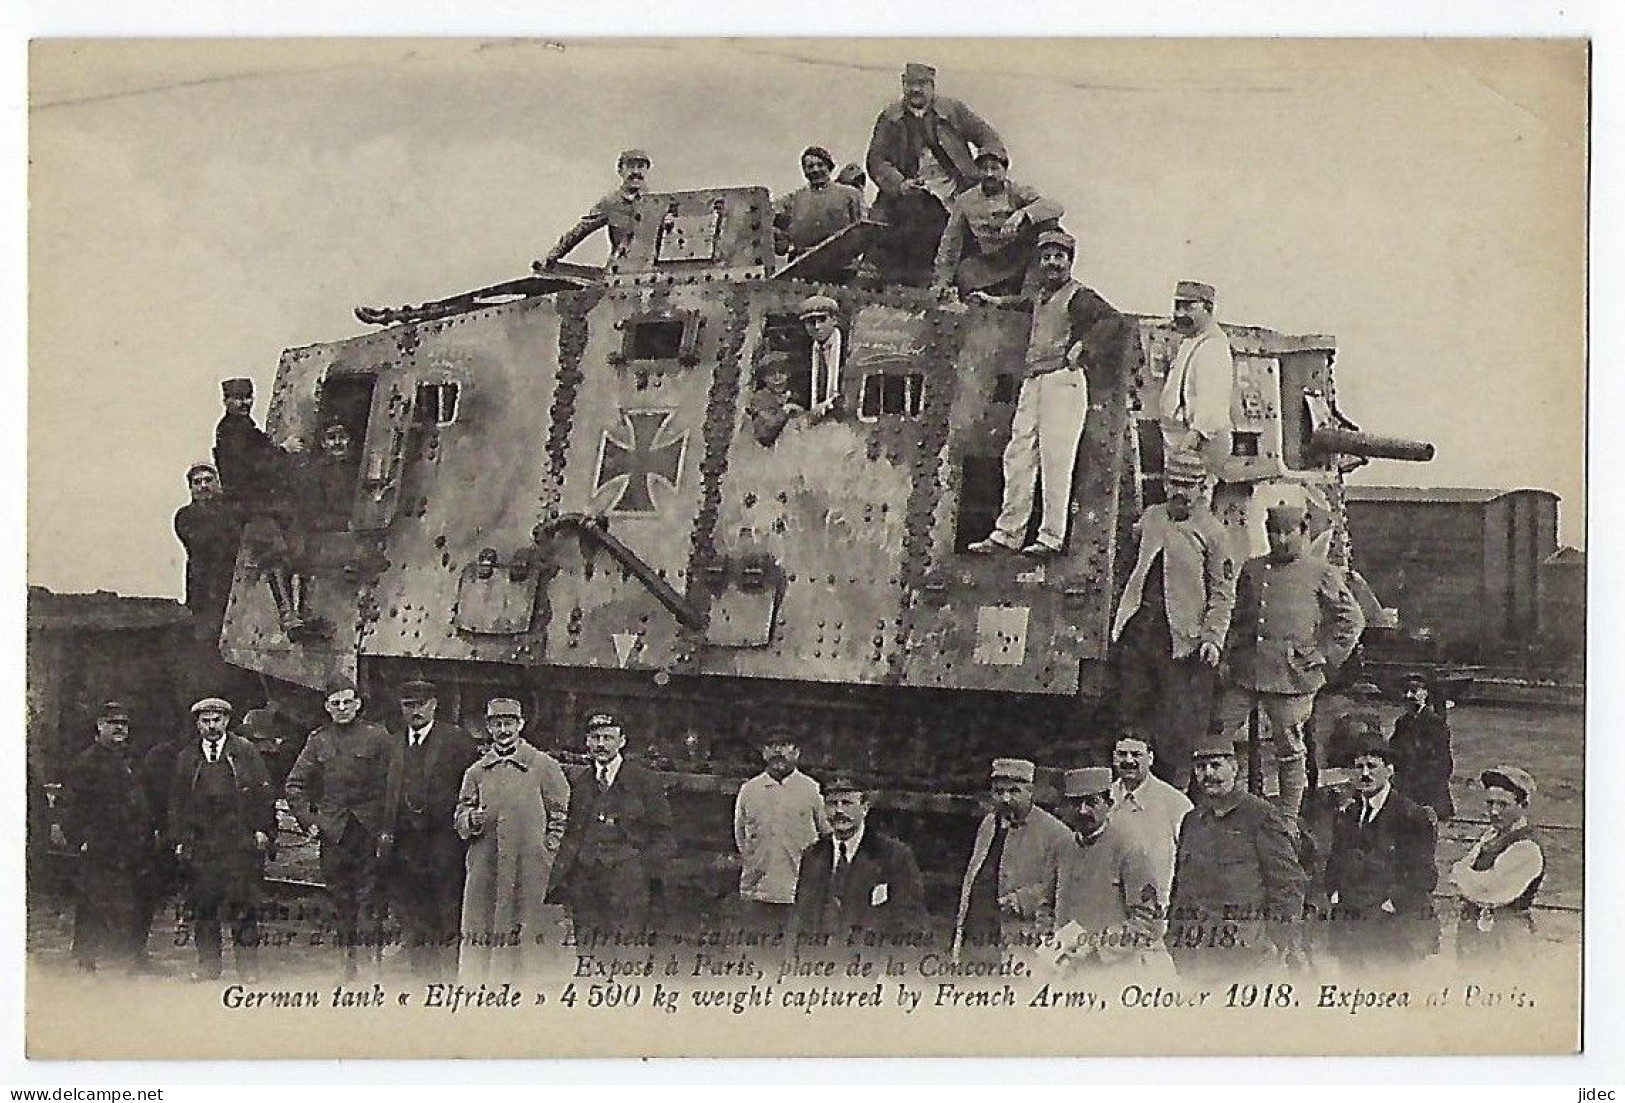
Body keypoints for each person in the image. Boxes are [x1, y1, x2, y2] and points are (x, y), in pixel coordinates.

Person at [966, 230, 1138, 559]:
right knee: (1018, 456)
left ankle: (1051, 535)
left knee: (1056, 459)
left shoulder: (1080, 296)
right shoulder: (1040, 295)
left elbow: (1113, 320)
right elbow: (1020, 303)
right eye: (1046, 257)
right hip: (1034, 381)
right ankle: (1008, 533)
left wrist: (1083, 347)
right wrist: (992, 301)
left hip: (1063, 381)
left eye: (1059, 257)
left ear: (1069, 262)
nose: (1052, 263)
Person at [1220, 503, 1365, 818]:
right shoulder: (1253, 569)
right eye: (1274, 532)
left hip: (1293, 676)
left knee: (1288, 746)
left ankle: (1287, 816)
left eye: (1288, 532)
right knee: (1219, 732)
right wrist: (1228, 655)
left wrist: (1324, 654)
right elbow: (1240, 618)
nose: (1281, 539)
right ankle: (1225, 804)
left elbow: (1352, 619)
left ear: (1303, 533)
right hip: (1249, 671)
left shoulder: (1321, 572)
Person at [1107, 452, 1237, 779]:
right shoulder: (1151, 518)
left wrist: (1212, 638)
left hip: (1182, 640)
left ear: (1202, 487)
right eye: (1175, 483)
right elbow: (1130, 557)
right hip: (1141, 631)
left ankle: (1174, 791)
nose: (1181, 492)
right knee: (1131, 710)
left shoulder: (1213, 533)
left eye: (1189, 485)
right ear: (1165, 484)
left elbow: (1223, 592)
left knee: (1176, 725)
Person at [283, 678, 395, 978]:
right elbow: (295, 784)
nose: (342, 708)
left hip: (369, 831)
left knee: (370, 898)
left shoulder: (378, 737)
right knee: (340, 897)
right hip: (335, 832)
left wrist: (387, 827)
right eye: (336, 703)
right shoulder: (318, 740)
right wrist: (310, 821)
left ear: (358, 703)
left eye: (348, 702)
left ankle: (371, 963)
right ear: (327, 707)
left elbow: (393, 785)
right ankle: (347, 964)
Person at [455, 698, 572, 981]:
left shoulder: (543, 766)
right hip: (487, 863)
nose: (503, 730)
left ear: (521, 725)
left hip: (528, 864)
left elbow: (562, 812)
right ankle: (484, 986)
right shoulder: (477, 771)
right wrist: (471, 819)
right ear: (489, 729)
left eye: (509, 724)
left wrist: (548, 851)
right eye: (497, 725)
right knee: (484, 922)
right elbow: (460, 812)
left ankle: (526, 989)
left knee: (527, 925)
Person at [1169, 739, 1307, 978]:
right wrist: (1174, 937)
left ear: (1234, 769)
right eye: (1200, 767)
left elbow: (1288, 885)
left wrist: (1276, 942)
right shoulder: (1192, 821)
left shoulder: (1260, 816)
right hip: (1196, 956)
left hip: (1248, 957)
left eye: (1215, 765)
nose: (1208, 774)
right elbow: (1180, 886)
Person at [864, 62, 1005, 287]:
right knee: (880, 234)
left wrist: (988, 166)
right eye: (910, 84)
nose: (916, 90)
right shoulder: (890, 118)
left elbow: (988, 138)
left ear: (932, 86)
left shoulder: (953, 110)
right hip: (912, 191)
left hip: (954, 190)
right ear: (903, 85)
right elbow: (876, 159)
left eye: (922, 84)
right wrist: (899, 184)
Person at [167, 697, 276, 982]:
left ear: (227, 721)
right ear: (198, 724)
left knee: (243, 905)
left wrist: (263, 829)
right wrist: (179, 838)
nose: (211, 726)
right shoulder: (187, 757)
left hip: (237, 842)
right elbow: (176, 802)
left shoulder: (245, 752)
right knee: (204, 905)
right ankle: (208, 966)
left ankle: (248, 969)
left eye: (217, 720)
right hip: (202, 843)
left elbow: (264, 793)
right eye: (205, 721)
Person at [380, 679, 481, 979]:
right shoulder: (396, 742)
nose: (415, 712)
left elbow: (473, 787)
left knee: (447, 914)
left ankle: (449, 980)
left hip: (444, 844)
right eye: (409, 705)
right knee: (416, 914)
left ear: (434, 705)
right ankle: (423, 979)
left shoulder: (456, 740)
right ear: (401, 708)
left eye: (421, 705)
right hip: (408, 846)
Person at [553, 712, 673, 940]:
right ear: (587, 742)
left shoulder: (644, 781)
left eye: (608, 738)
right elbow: (572, 833)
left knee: (623, 951)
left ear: (622, 741)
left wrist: (641, 870)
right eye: (595, 738)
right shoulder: (581, 784)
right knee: (586, 949)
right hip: (587, 884)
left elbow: (663, 834)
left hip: (628, 886)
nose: (601, 744)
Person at [1322, 736, 1439, 971]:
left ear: (1389, 770)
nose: (1365, 774)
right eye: (1358, 767)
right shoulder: (1349, 813)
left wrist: (1392, 904)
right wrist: (1335, 893)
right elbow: (1336, 859)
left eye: (1372, 766)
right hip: (1352, 925)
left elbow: (1424, 875)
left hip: (1393, 928)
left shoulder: (1411, 816)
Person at [58, 701, 152, 973]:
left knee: (131, 899)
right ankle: (86, 958)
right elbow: (71, 805)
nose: (120, 728)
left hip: (131, 843)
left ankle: (130, 956)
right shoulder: (86, 763)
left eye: (124, 723)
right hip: (100, 843)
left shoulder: (130, 759)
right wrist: (80, 839)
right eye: (113, 724)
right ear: (99, 726)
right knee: (92, 901)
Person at [1053, 768, 1172, 975]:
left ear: (1108, 804)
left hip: (1116, 971)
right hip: (1067, 971)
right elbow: (1048, 903)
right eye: (1075, 803)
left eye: (1091, 802)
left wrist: (1098, 949)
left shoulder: (1129, 849)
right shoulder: (1063, 847)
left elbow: (1148, 922)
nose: (1082, 811)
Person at [952, 758, 1071, 962]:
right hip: (978, 930)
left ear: (1031, 791)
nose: (1005, 799)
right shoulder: (989, 823)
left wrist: (1022, 900)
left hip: (1021, 937)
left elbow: (1066, 886)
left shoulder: (1056, 833)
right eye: (999, 792)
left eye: (1014, 791)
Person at [790, 773, 926, 941]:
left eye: (847, 803)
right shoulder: (813, 855)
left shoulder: (893, 855)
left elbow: (911, 920)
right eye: (832, 804)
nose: (839, 810)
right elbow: (801, 918)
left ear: (865, 807)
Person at [733, 727, 829, 934]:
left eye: (785, 746)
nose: (778, 752)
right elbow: (741, 837)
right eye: (771, 746)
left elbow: (827, 837)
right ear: (763, 753)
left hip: (799, 893)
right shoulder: (749, 790)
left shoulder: (811, 789)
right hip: (758, 893)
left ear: (797, 752)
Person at [932, 150, 1063, 297]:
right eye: (984, 168)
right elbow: (951, 242)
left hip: (1019, 258)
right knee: (965, 275)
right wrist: (942, 281)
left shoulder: (1016, 191)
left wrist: (1021, 214)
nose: (989, 174)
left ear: (1004, 170)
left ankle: (1029, 293)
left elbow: (1054, 207)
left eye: (994, 168)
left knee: (1051, 226)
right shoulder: (965, 201)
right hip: (989, 261)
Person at [1449, 766, 1544, 964]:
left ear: (1523, 805)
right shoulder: (1492, 835)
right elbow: (1458, 870)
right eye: (1490, 803)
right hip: (1476, 933)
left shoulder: (1526, 847)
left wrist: (1464, 876)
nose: (1494, 811)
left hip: (1506, 937)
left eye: (1503, 805)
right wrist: (1464, 874)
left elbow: (1488, 889)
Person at [1160, 280, 1235, 481]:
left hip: (1199, 442)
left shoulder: (1213, 347)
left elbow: (1213, 400)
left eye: (1188, 308)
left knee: (1192, 500)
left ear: (1208, 309)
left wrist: (1193, 438)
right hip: (1180, 438)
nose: (1179, 314)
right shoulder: (1190, 340)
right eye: (1178, 307)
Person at [1107, 732, 1192, 902]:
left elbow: (1193, 861)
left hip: (1156, 909)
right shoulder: (1103, 799)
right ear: (1114, 758)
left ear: (1151, 758)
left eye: (1136, 754)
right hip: (1110, 907)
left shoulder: (1175, 803)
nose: (1129, 761)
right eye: (1122, 754)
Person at [539, 148, 651, 267]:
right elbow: (581, 229)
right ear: (620, 170)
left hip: (653, 270)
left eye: (640, 167)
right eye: (630, 166)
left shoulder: (655, 203)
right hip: (619, 271)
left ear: (647, 170)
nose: (636, 172)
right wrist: (552, 256)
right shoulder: (611, 202)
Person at [172, 462, 244, 634]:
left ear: (217, 483)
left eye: (208, 480)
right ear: (191, 488)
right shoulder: (185, 516)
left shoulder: (233, 511)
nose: (203, 486)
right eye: (197, 482)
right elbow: (205, 542)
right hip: (203, 590)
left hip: (232, 585)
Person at [773, 146, 866, 265]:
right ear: (805, 171)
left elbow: (862, 229)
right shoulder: (794, 199)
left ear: (829, 167)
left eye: (820, 165)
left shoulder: (851, 195)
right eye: (810, 167)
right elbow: (770, 219)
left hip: (842, 263)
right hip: (803, 265)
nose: (815, 170)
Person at [1387, 672, 1456, 821]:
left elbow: (1443, 759)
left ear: (1425, 693)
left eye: (1413, 691)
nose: (1408, 696)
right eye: (1406, 692)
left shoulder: (1435, 722)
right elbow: (1393, 748)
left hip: (1429, 782)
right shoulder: (1402, 722)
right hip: (1405, 779)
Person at [213, 378, 291, 505]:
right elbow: (255, 464)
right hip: (250, 503)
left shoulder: (244, 426)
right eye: (238, 398)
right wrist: (285, 449)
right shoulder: (232, 430)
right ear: (226, 402)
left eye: (248, 397)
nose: (244, 402)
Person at [298, 421, 357, 531]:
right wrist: (345, 524)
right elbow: (314, 517)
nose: (337, 442)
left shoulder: (359, 465)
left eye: (343, 437)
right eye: (331, 437)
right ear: (323, 443)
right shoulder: (316, 472)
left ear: (351, 441)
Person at [799, 294, 845, 420]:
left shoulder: (848, 350)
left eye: (822, 319)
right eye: (811, 322)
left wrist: (830, 404)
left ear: (834, 320)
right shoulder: (806, 351)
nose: (817, 327)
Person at [746, 351, 805, 447]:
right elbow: (764, 432)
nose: (777, 378)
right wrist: (784, 412)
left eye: (782, 372)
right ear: (764, 378)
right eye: (771, 374)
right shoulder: (760, 399)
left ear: (788, 374)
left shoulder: (794, 396)